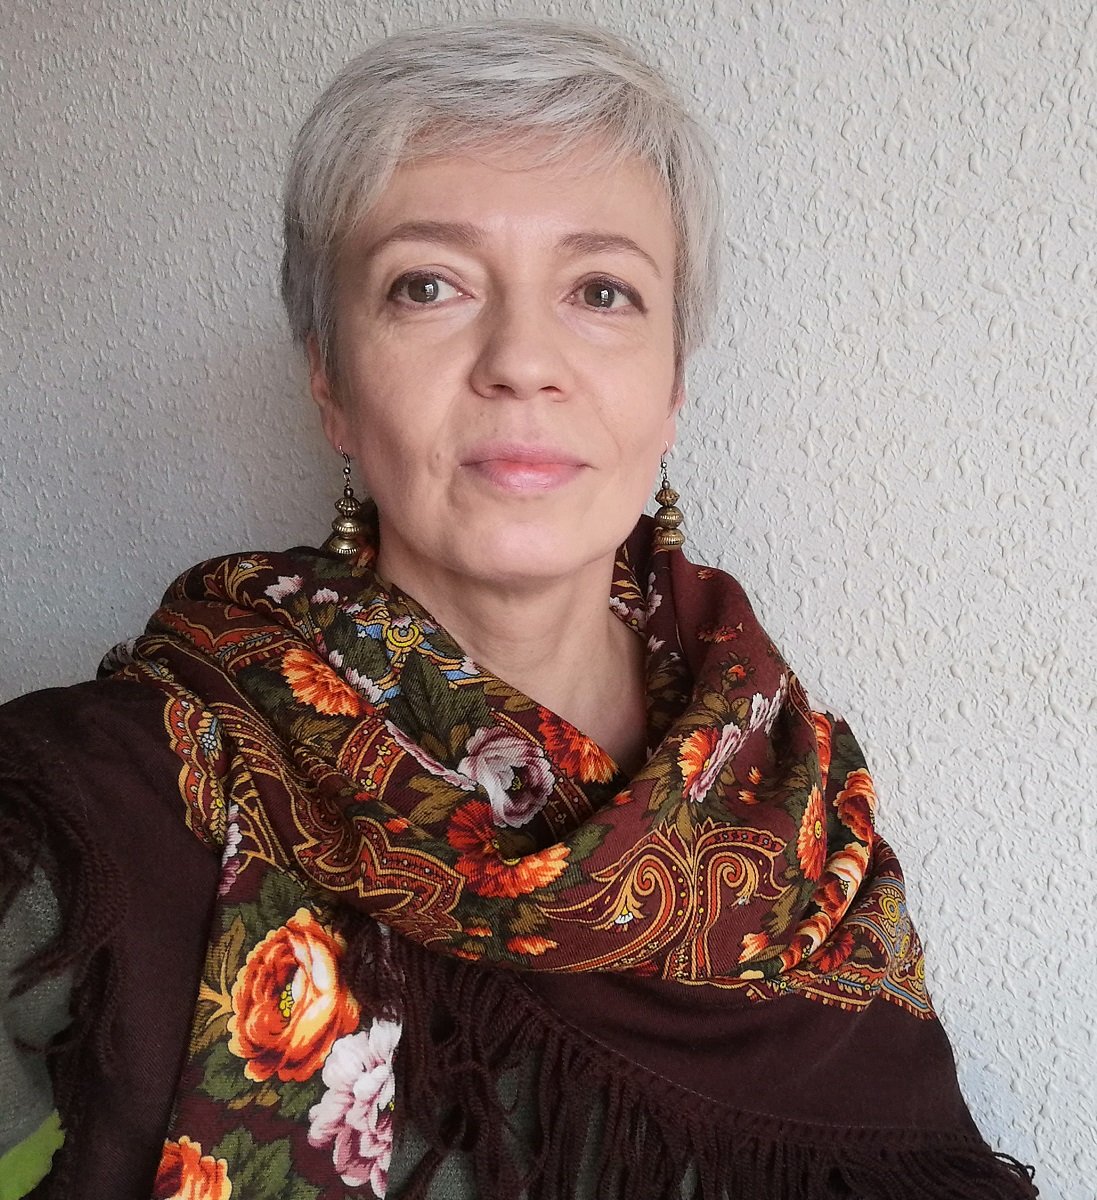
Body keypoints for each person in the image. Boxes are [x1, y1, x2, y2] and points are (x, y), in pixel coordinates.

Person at [0, 18, 1038, 1200]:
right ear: (330, 381)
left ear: (671, 388)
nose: (521, 359)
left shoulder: (800, 811)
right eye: (427, 285)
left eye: (600, 290)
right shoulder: (83, 816)